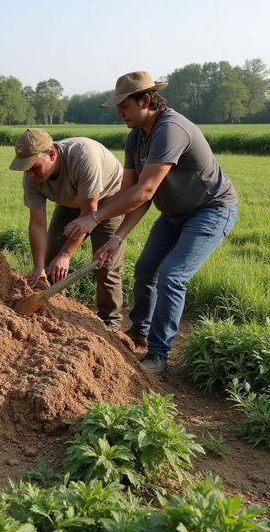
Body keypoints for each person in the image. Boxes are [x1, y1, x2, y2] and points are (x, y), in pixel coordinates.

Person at [64, 71, 238, 374]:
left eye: (124, 107)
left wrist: (93, 219)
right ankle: (140, 331)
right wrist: (116, 237)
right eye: (117, 108)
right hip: (173, 214)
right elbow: (133, 193)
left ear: (146, 99)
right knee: (145, 269)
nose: (120, 113)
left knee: (172, 275)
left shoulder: (170, 129)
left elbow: (146, 190)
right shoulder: (136, 137)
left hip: (210, 209)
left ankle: (158, 355)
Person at [10, 128, 125, 328]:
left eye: (34, 167)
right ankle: (56, 312)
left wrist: (67, 255)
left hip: (107, 201)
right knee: (50, 260)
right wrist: (39, 269)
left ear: (52, 155)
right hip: (69, 203)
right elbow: (37, 222)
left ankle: (110, 322)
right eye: (25, 168)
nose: (29, 173)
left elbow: (89, 213)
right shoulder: (30, 177)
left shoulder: (83, 158)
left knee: (105, 263)